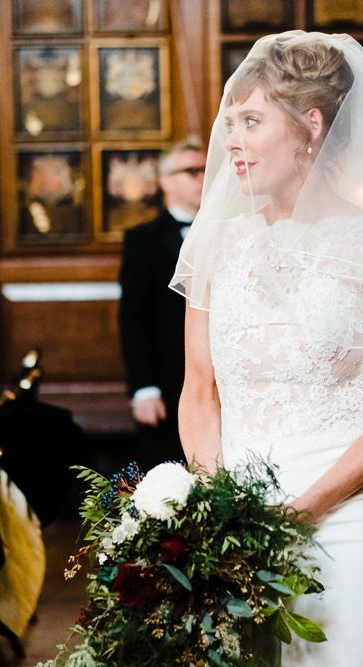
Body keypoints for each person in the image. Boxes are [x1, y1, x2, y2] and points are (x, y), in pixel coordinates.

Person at [171, 32, 363, 666]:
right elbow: (198, 390)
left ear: (310, 124)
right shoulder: (218, 245)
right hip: (236, 522)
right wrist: (223, 511)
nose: (231, 141)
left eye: (250, 120)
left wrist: (302, 511)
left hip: (344, 519)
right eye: (229, 122)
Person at [119, 139, 206, 469]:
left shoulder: (235, 232)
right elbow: (134, 319)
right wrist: (144, 388)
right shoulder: (143, 240)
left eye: (206, 170)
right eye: (191, 171)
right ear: (164, 181)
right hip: (170, 381)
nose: (202, 178)